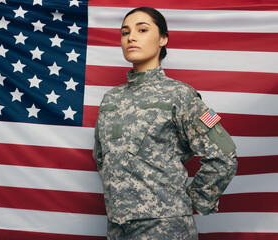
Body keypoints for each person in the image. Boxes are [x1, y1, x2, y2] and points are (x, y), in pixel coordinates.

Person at [93, 7, 238, 240]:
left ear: (163, 39)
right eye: (124, 32)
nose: (131, 37)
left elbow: (223, 155)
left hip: (166, 228)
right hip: (117, 226)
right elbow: (102, 158)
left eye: (142, 30)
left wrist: (192, 201)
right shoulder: (111, 98)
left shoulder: (180, 95)